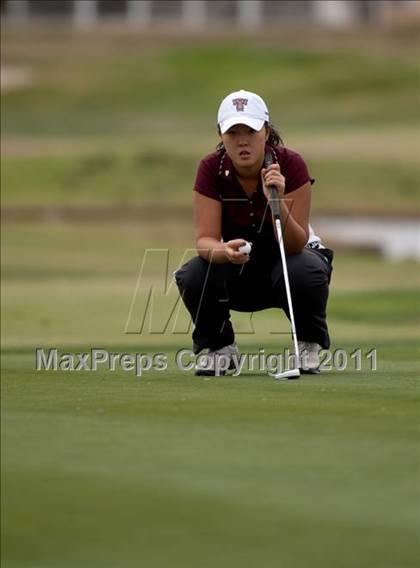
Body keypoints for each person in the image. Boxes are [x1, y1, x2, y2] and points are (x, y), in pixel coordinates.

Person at [175, 89, 333, 376]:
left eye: (250, 129)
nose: (242, 140)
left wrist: (277, 201)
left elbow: (296, 245)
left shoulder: (291, 164)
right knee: (194, 274)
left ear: (266, 131)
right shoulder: (211, 168)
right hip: (238, 268)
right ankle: (221, 348)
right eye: (232, 132)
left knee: (305, 269)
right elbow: (204, 241)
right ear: (221, 135)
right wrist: (223, 251)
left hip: (286, 266)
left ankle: (308, 344)